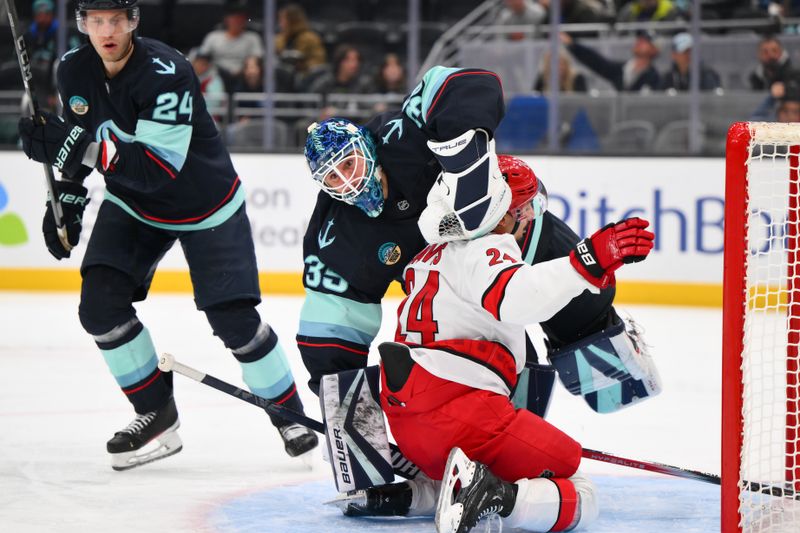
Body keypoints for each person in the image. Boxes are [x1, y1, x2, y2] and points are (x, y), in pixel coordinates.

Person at [16, 0, 317, 471]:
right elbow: (79, 143)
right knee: (99, 308)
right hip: (133, 205)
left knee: (232, 318)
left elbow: (157, 169)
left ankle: (289, 416)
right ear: (83, 25)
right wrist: (69, 200)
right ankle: (155, 412)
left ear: (133, 21)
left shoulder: (167, 70)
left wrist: (74, 149)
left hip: (206, 204)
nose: (107, 30)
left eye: (117, 19)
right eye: (97, 20)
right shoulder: (73, 69)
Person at [374, 169, 655, 533]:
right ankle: (496, 496)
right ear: (504, 214)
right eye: (525, 210)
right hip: (463, 417)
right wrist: (586, 261)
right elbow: (518, 298)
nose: (529, 221)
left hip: (409, 425)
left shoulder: (427, 255)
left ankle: (420, 494)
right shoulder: (488, 245)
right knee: (581, 493)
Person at [299, 66, 506, 396]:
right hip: (441, 292)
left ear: (366, 147)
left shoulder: (403, 136)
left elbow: (466, 81)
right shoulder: (338, 233)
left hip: (494, 232)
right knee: (450, 337)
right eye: (332, 177)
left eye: (348, 163)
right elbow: (329, 330)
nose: (347, 180)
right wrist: (343, 400)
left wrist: (469, 171)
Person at [562, 30, 661, 92]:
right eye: (639, 39)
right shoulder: (622, 69)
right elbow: (597, 63)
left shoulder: (654, 77)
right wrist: (573, 45)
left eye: (645, 42)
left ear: (654, 49)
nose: (639, 42)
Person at [198, 2, 263, 86]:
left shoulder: (252, 38)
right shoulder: (213, 37)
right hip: (216, 74)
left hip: (242, 76)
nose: (238, 20)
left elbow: (255, 59)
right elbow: (202, 58)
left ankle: (250, 98)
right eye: (234, 17)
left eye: (241, 17)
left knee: (253, 72)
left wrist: (248, 68)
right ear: (226, 19)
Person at [275, 3, 326, 77]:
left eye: (282, 20)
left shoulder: (311, 39)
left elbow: (319, 63)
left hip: (305, 77)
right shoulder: (278, 39)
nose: (280, 24)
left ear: (293, 21)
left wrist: (302, 64)